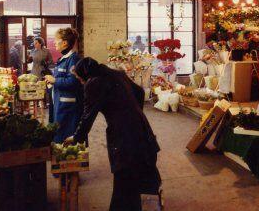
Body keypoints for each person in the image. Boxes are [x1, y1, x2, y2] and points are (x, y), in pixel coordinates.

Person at [64, 57, 161, 211]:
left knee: (124, 182)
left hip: (124, 138)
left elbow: (87, 115)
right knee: (146, 176)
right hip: (142, 130)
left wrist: (76, 137)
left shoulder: (93, 83)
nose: (79, 81)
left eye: (78, 77)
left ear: (84, 74)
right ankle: (151, 206)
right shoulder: (116, 74)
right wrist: (133, 113)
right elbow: (140, 92)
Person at [44, 28, 84, 143]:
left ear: (65, 42)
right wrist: (51, 84)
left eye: (56, 40)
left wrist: (55, 80)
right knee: (59, 138)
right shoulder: (63, 59)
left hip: (68, 110)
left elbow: (73, 82)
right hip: (60, 105)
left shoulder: (73, 59)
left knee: (67, 142)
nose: (54, 42)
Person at [28, 37, 55, 120]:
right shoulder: (32, 51)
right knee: (35, 88)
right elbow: (29, 61)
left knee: (43, 88)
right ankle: (36, 104)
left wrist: (46, 63)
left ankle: (44, 103)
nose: (34, 44)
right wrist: (28, 59)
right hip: (34, 71)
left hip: (43, 71)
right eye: (34, 43)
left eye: (36, 43)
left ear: (40, 43)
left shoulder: (46, 51)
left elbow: (51, 62)